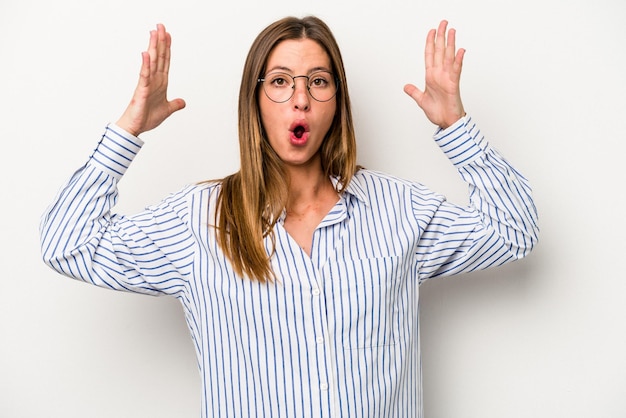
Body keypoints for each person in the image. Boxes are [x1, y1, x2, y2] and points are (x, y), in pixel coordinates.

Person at [40, 16, 539, 418]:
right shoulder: (199, 222)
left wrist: (455, 124)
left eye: (318, 82)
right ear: (255, 102)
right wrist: (130, 127)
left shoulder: (398, 209)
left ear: (336, 103)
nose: (300, 97)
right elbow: (67, 243)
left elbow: (514, 231)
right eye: (280, 81)